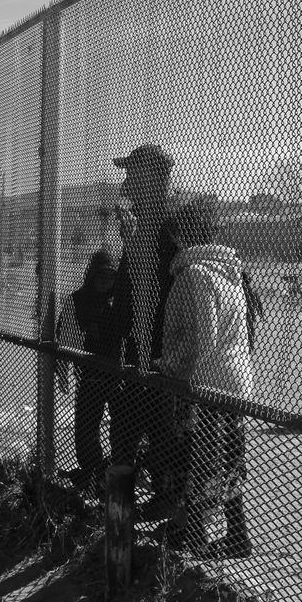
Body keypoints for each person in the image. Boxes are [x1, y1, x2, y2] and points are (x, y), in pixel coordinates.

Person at [155, 197, 254, 559]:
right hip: (235, 378)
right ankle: (236, 534)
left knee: (201, 456)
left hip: (208, 380)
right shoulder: (229, 273)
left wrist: (166, 365)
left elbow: (202, 339)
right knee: (226, 457)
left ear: (184, 234)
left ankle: (195, 535)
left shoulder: (197, 274)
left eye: (175, 235)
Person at [107, 143, 180, 520]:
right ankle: (131, 497)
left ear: (153, 178)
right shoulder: (140, 226)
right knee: (128, 423)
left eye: (132, 172)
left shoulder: (167, 228)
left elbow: (167, 288)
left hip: (159, 350)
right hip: (138, 346)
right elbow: (131, 286)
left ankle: (166, 499)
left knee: (160, 426)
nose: (126, 181)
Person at [55, 248, 118, 498]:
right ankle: (90, 471)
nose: (106, 283)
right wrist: (63, 371)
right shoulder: (78, 299)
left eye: (112, 277)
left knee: (121, 429)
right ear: (91, 275)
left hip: (117, 377)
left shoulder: (119, 301)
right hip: (90, 374)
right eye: (101, 277)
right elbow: (66, 336)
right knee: (85, 427)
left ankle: (111, 474)